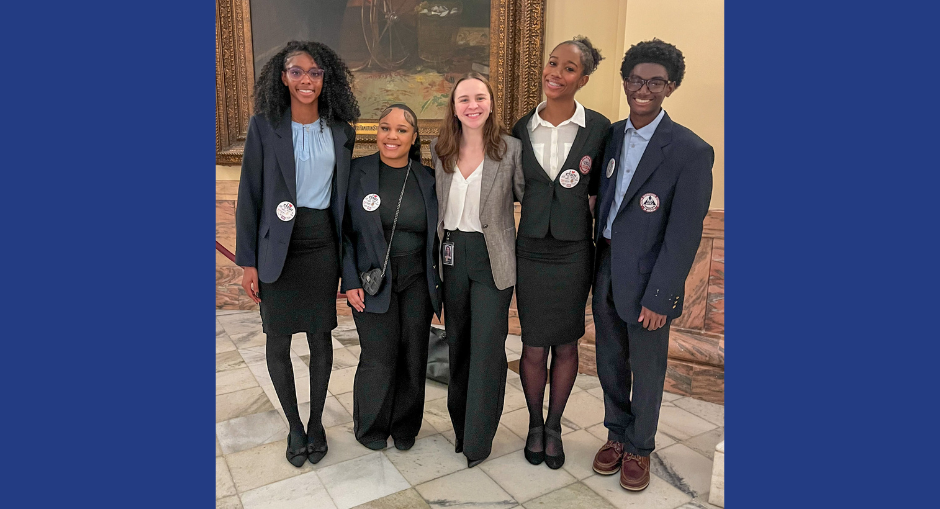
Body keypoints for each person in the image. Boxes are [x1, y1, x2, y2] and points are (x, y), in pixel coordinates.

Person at [590, 39, 714, 491]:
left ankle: (640, 446)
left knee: (647, 368)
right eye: (636, 81)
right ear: (625, 82)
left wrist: (662, 295)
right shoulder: (611, 136)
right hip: (605, 266)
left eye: (655, 83)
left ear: (670, 87)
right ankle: (616, 434)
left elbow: (684, 234)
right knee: (610, 360)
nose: (643, 90)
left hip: (649, 279)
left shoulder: (689, 151)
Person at [235, 40, 359, 467]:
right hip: (277, 249)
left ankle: (317, 422)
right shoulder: (264, 127)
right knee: (279, 338)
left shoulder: (341, 130)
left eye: (315, 72)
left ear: (327, 79)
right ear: (283, 77)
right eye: (297, 71)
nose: (307, 80)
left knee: (321, 336)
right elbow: (249, 196)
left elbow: (343, 201)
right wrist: (248, 262)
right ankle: (294, 426)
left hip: (321, 244)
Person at [510, 36, 610, 470]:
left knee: (567, 344)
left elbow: (604, 188)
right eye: (553, 63)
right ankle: (534, 423)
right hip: (531, 250)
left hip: (573, 252)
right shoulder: (521, 128)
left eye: (569, 68)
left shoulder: (599, 129)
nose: (556, 73)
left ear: (583, 79)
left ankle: (554, 427)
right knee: (533, 346)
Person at [431, 72, 524, 468]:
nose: (473, 105)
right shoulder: (440, 149)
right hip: (452, 256)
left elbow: (530, 200)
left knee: (486, 349)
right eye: (464, 99)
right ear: (454, 107)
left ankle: (478, 440)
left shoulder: (511, 149)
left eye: (480, 97)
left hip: (492, 260)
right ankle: (461, 428)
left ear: (491, 103)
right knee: (458, 346)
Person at [340, 104, 442, 451]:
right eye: (385, 128)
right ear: (376, 132)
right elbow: (343, 232)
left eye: (401, 130)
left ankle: (405, 426)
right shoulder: (357, 172)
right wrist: (350, 280)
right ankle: (371, 426)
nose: (392, 136)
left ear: (414, 137)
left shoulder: (428, 179)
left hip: (417, 281)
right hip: (372, 281)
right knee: (378, 356)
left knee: (413, 355)